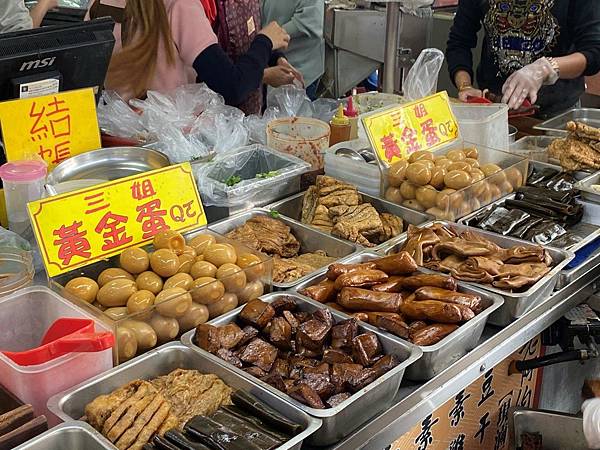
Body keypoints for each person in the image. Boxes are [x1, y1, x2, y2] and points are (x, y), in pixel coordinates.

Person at [88, 0, 290, 107]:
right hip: (172, 146)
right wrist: (265, 41)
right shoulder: (180, 6)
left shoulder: (98, 3)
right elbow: (232, 86)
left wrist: (269, 57)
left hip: (118, 138)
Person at [446, 0, 600, 118]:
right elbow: (459, 42)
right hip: (492, 110)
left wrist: (546, 68)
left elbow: (593, 52)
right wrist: (465, 86)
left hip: (556, 114)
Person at [261, 0, 324, 100]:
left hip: (299, 71)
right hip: (268, 65)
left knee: (298, 114)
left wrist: (270, 37)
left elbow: (312, 20)